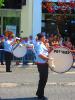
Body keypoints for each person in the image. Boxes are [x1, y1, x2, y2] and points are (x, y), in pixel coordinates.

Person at [34, 33, 49, 100]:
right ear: (41, 37)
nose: (45, 38)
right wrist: (47, 59)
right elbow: (40, 54)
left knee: (42, 79)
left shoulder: (41, 43)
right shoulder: (39, 44)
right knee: (43, 80)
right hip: (42, 64)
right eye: (44, 37)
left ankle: (39, 93)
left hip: (43, 63)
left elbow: (46, 51)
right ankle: (40, 95)